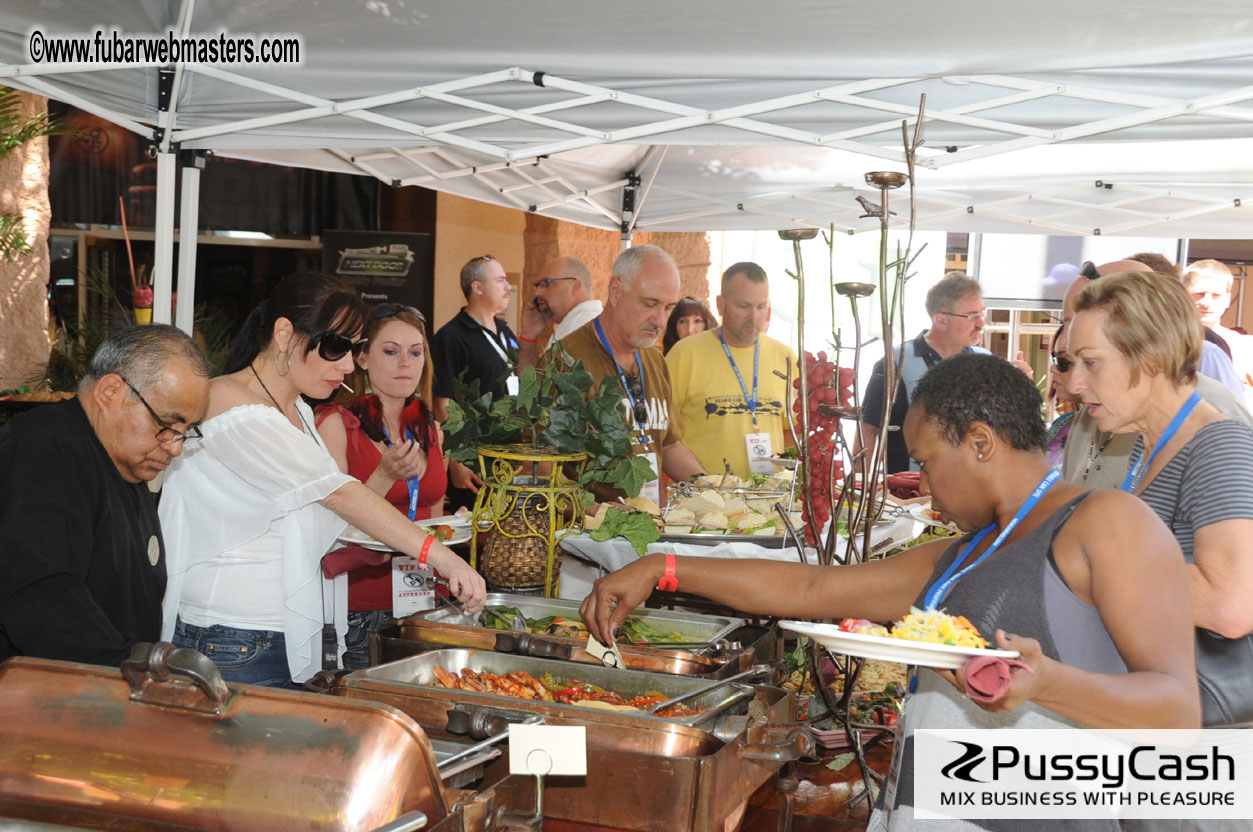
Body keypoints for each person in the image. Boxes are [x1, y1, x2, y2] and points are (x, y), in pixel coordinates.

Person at [583, 352, 1198, 831]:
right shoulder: (969, 547)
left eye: (928, 462)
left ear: (981, 442)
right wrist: (665, 566)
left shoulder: (1107, 520)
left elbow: (1178, 715)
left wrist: (1048, 684)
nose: (926, 486)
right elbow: (812, 584)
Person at [159, 272, 484, 688]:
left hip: (271, 633)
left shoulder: (301, 413)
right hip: (231, 635)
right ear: (284, 334)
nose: (348, 366)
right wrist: (440, 555)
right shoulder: (231, 403)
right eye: (335, 348)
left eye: (354, 350)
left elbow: (328, 515)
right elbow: (338, 495)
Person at [1068, 269, 1253, 726]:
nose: (1074, 384)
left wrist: (1084, 562)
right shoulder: (1143, 445)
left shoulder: (1218, 445)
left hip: (1206, 736)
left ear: (1150, 356)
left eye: (1091, 362)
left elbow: (1231, 605)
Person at [0, 326, 210, 666]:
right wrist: (133, 663)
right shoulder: (43, 450)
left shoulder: (124, 460)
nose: (175, 446)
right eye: (167, 425)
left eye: (187, 431)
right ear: (110, 392)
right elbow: (42, 595)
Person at [315, 302, 447, 670]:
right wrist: (385, 475)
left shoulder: (430, 429)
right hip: (359, 606)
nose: (406, 363)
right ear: (362, 359)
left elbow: (433, 514)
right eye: (391, 351)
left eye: (415, 352)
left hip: (422, 598)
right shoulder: (335, 424)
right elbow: (330, 526)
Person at [1056, 259, 1253, 489]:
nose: (1063, 340)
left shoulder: (1215, 429)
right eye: (1068, 321)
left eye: (1090, 361)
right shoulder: (1098, 416)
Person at [546, 244, 706, 506]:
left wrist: (712, 489)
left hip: (649, 525)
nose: (660, 320)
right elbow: (541, 471)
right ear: (616, 291)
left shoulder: (655, 360)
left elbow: (668, 445)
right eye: (650, 304)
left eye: (668, 308)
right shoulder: (566, 361)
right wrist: (597, 511)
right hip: (588, 539)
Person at [666, 262, 796, 477]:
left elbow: (791, 430)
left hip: (770, 502)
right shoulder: (684, 355)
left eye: (761, 307)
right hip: (703, 503)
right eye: (744, 307)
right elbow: (665, 438)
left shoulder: (786, 357)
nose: (753, 317)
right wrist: (707, 488)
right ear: (720, 304)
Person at [859, 272, 991, 474]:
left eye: (982, 313)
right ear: (942, 320)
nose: (981, 323)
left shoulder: (987, 364)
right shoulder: (896, 362)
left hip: (972, 496)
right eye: (972, 316)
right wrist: (861, 487)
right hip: (908, 498)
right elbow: (869, 430)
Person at [430, 255, 519, 511]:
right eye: (500, 280)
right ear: (477, 287)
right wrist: (457, 460)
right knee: (477, 538)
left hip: (509, 455)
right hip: (475, 461)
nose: (507, 286)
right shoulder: (450, 337)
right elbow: (442, 404)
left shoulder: (505, 331)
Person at [1184, 258, 1253, 401]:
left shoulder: (1245, 347)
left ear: (1227, 298)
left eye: (1216, 295)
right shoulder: (1167, 342)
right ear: (1183, 295)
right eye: (1199, 294)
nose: (1207, 303)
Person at [516, 256, 603, 367]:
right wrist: (529, 336)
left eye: (546, 283)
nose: (537, 293)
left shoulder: (583, 326)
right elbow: (536, 382)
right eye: (537, 285)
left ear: (575, 287)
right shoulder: (573, 324)